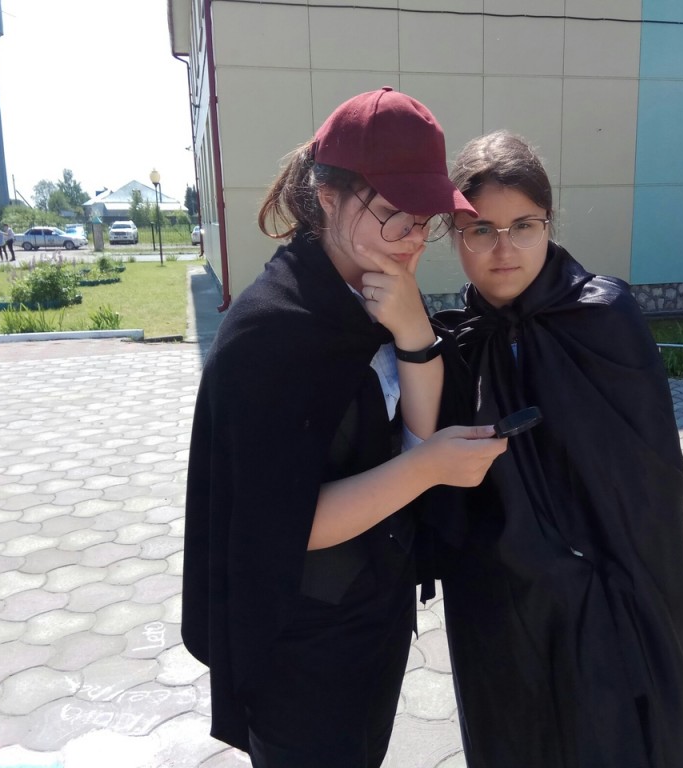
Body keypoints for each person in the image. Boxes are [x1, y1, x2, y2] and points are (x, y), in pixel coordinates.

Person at [181, 88, 507, 768]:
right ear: (327, 199)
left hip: (373, 613)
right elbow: (288, 524)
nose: (413, 239)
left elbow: (417, 431)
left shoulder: (373, 296)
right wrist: (429, 468)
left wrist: (415, 334)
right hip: (299, 644)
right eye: (394, 214)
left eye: (425, 220)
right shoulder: (272, 333)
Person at [434, 131, 683, 767]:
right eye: (481, 230)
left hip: (607, 599)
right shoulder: (457, 340)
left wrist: (595, 582)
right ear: (454, 235)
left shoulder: (604, 316)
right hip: (500, 602)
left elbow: (649, 485)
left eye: (524, 226)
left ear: (548, 225)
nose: (505, 249)